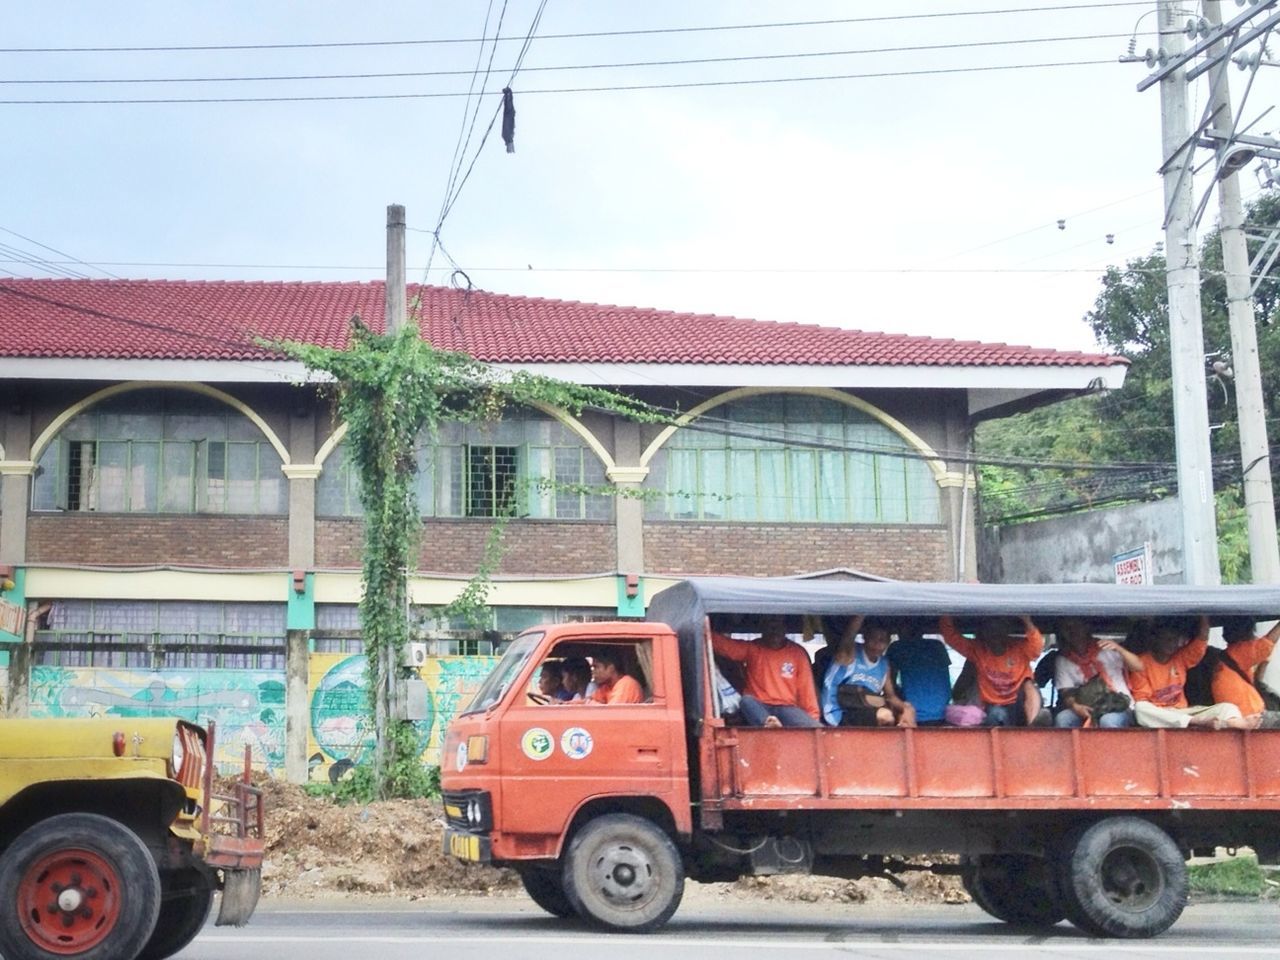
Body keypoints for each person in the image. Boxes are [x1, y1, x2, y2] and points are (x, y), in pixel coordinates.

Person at [1128, 616, 1248, 729]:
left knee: (1227, 707)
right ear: (1155, 639)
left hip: (1183, 711)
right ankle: (1196, 722)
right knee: (1140, 708)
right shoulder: (1140, 663)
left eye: (1175, 640)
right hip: (1161, 715)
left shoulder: (1179, 658)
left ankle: (1234, 722)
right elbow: (1142, 698)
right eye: (1168, 640)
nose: (1173, 644)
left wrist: (1203, 615)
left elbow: (1201, 641)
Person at [711, 614, 820, 728]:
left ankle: (772, 725)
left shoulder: (797, 653)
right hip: (758, 706)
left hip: (786, 708)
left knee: (814, 726)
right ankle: (769, 724)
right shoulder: (753, 648)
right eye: (770, 627)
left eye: (777, 627)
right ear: (763, 629)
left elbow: (806, 690)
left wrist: (813, 722)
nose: (774, 632)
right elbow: (726, 647)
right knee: (746, 701)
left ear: (785, 629)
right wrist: (705, 630)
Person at [939, 614, 1045, 727]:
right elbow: (951, 637)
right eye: (990, 630)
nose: (995, 635)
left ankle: (1033, 726)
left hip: (1020, 705)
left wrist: (1027, 621)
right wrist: (948, 612)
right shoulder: (977, 649)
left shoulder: (1020, 647)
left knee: (1029, 684)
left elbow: (1037, 645)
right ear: (983, 633)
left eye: (999, 629)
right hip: (994, 706)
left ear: (1007, 631)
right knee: (996, 713)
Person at [821, 617, 916, 727]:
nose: (877, 645)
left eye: (882, 641)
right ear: (865, 637)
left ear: (888, 642)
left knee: (905, 715)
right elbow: (849, 635)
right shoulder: (849, 653)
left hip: (866, 709)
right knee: (885, 716)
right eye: (873, 639)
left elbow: (890, 696)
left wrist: (907, 709)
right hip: (838, 713)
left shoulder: (884, 665)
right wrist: (861, 612)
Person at [1051, 618, 1135, 729]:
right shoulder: (1063, 660)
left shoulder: (1107, 648)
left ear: (1086, 628)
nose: (1072, 631)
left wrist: (1120, 649)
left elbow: (1138, 667)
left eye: (1076, 627)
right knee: (1063, 718)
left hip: (1118, 706)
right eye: (1067, 628)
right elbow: (1066, 691)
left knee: (1107, 721)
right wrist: (1076, 707)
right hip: (1087, 707)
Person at [1212, 617, 1280, 728]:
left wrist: (1264, 663)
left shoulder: (1230, 657)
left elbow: (1256, 683)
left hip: (1244, 715)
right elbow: (1266, 643)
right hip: (1249, 717)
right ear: (1247, 634)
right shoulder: (1239, 652)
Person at [885, 620, 952, 726]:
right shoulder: (937, 646)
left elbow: (888, 682)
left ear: (900, 630)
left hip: (913, 715)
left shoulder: (897, 647)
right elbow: (944, 679)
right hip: (944, 713)